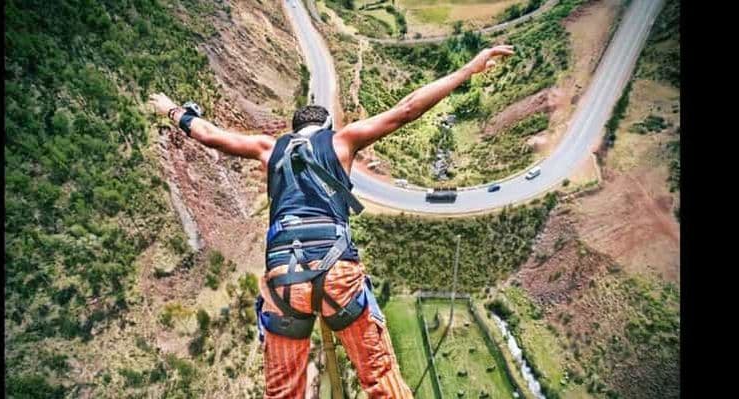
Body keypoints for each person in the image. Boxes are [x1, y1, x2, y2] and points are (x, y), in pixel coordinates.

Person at [149, 44, 514, 399]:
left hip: (284, 279)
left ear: (293, 131)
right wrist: (469, 69)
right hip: (337, 269)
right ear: (326, 126)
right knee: (380, 378)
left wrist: (172, 110)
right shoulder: (341, 141)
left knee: (282, 393)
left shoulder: (267, 148)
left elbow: (210, 135)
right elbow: (406, 110)